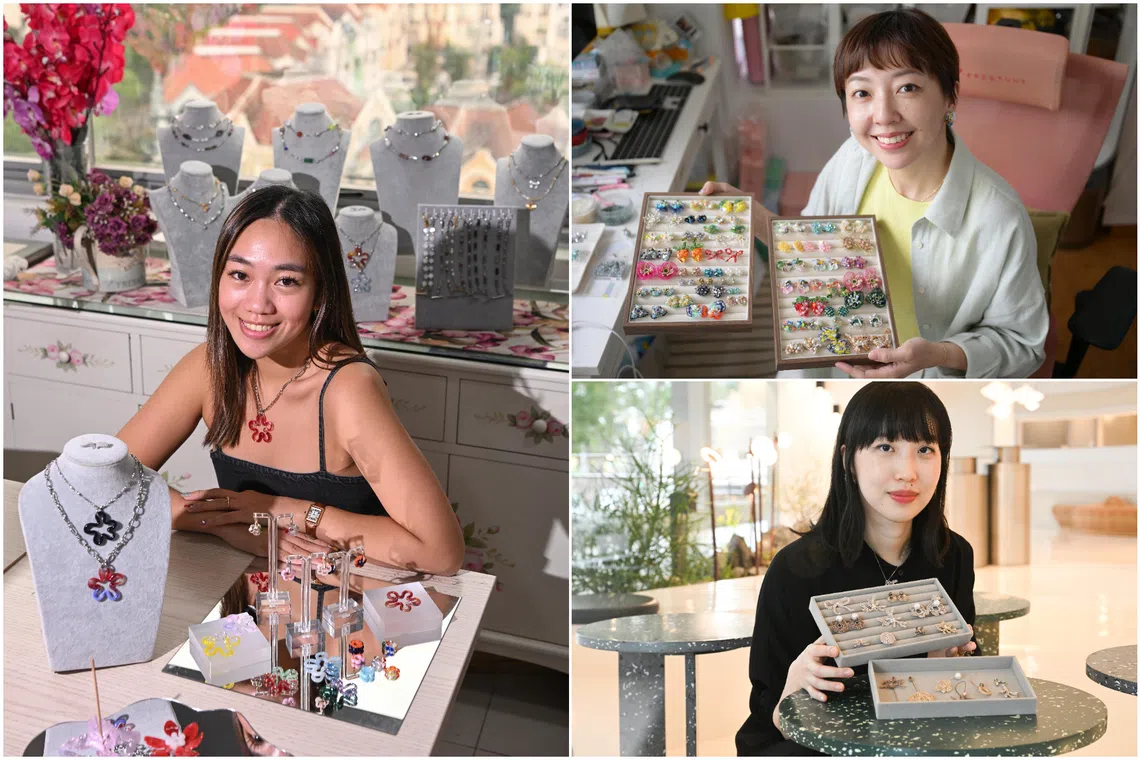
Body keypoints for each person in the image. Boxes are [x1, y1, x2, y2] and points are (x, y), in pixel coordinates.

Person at [118, 185, 465, 577]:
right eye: (240, 275)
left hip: (349, 602)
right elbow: (102, 477)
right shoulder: (208, 368)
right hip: (246, 590)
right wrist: (234, 527)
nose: (257, 305)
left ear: (319, 292)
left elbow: (441, 554)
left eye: (286, 281)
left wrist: (293, 512)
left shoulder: (348, 389)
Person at [702, 8, 1048, 379]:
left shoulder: (999, 217)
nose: (883, 115)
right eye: (862, 92)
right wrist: (757, 220)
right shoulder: (853, 158)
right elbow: (816, 250)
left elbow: (1023, 346)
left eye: (907, 88)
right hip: (837, 361)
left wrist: (939, 354)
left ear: (950, 97)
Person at [736, 382, 977, 756]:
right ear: (849, 459)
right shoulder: (795, 569)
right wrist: (792, 687)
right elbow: (762, 730)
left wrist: (944, 666)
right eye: (886, 447)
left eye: (925, 450)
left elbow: (960, 696)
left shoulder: (953, 555)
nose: (908, 472)